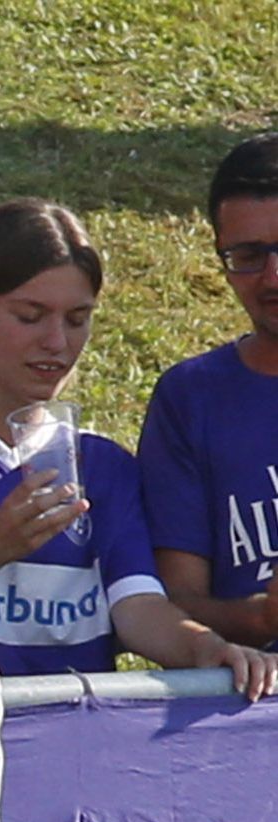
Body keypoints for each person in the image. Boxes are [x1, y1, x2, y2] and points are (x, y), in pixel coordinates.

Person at [0, 201, 277, 692]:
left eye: (77, 319)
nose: (57, 341)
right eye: (30, 316)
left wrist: (207, 649)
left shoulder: (103, 466)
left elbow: (138, 608)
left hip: (73, 742)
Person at [141, 136, 278, 651]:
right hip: (248, 714)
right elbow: (174, 600)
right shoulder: (191, 398)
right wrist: (264, 619)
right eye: (247, 255)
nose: (272, 276)